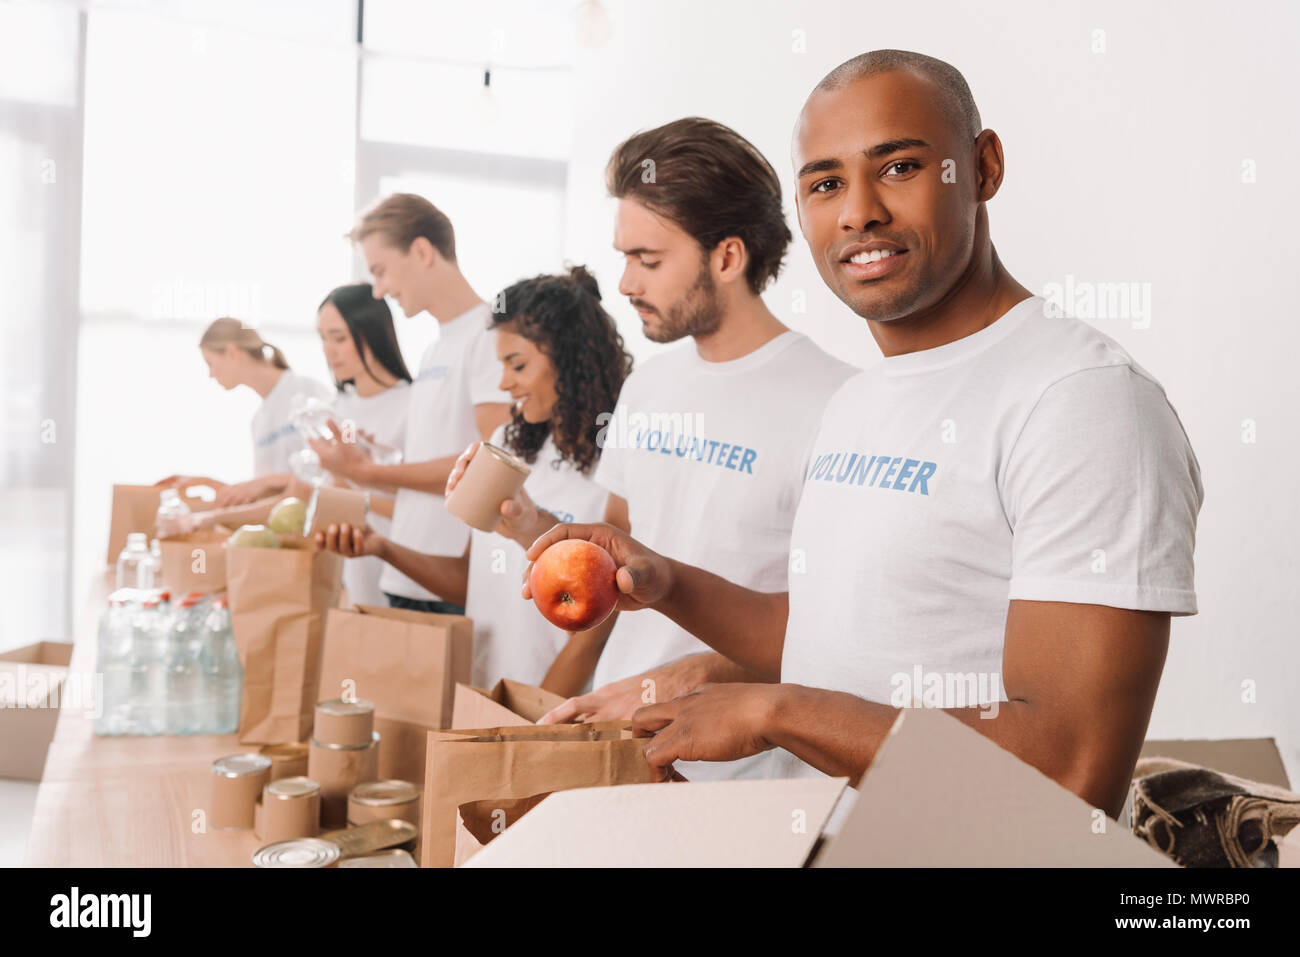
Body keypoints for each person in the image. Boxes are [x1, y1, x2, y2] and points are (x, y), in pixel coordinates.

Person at [525, 50, 1203, 820]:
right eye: (824, 184)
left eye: (900, 167)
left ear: (983, 168)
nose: (858, 213)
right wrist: (669, 581)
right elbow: (820, 635)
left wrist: (771, 711)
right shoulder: (861, 398)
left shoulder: (1083, 404)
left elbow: (1066, 772)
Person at [534, 118, 859, 783]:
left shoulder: (840, 404)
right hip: (623, 748)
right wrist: (560, 695)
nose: (624, 283)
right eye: (624, 256)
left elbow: (836, 634)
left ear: (729, 257)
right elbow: (612, 555)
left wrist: (687, 675)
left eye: (648, 261)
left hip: (745, 779)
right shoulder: (649, 384)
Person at [316, 266, 632, 695]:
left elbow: (597, 630)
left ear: (571, 358)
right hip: (488, 689)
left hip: (559, 707)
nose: (504, 383)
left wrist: (537, 719)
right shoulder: (506, 444)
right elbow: (471, 579)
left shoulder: (618, 461)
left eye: (516, 365)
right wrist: (381, 546)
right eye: (500, 365)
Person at [310, 194, 512, 616]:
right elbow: (437, 455)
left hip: (445, 583)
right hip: (405, 571)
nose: (379, 289)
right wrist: (372, 461)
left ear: (421, 251)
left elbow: (491, 469)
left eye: (380, 271)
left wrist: (364, 472)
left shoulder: (490, 337)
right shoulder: (434, 350)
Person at [184, 286, 411, 607]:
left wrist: (352, 482)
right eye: (323, 339)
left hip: (400, 574)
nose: (329, 352)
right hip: (349, 568)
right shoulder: (338, 409)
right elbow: (300, 490)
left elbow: (406, 501)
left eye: (339, 338)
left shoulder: (330, 402)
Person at [158, 318, 333, 506]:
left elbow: (332, 472)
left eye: (210, 363)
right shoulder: (258, 421)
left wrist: (263, 483)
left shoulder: (307, 391)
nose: (210, 375)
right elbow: (263, 495)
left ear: (233, 352)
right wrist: (207, 484)